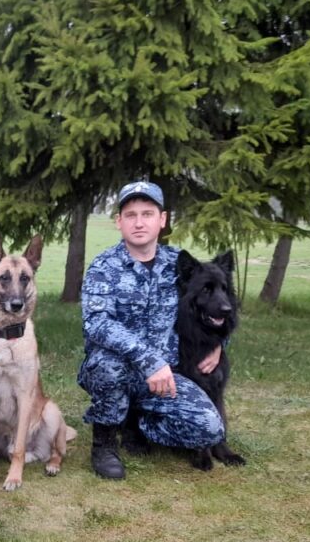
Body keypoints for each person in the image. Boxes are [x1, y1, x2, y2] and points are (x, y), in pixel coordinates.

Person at [78, 181, 225, 480]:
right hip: (115, 369)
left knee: (210, 429)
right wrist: (150, 361)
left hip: (163, 379)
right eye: (130, 215)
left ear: (163, 219)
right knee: (109, 366)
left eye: (147, 213)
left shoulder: (181, 265)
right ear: (119, 222)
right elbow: (97, 324)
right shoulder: (103, 267)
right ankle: (104, 443)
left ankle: (140, 424)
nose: (139, 222)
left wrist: (220, 343)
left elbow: (211, 305)